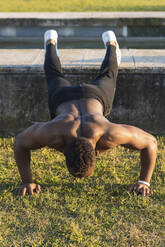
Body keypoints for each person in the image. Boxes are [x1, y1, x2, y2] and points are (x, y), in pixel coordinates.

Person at [14, 30, 157, 197]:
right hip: (71, 98)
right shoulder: (58, 133)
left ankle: (111, 45)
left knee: (108, 75)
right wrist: (26, 181)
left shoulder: (57, 133)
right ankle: (50, 42)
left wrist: (144, 182)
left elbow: (151, 142)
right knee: (54, 75)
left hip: (88, 96)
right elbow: (149, 142)